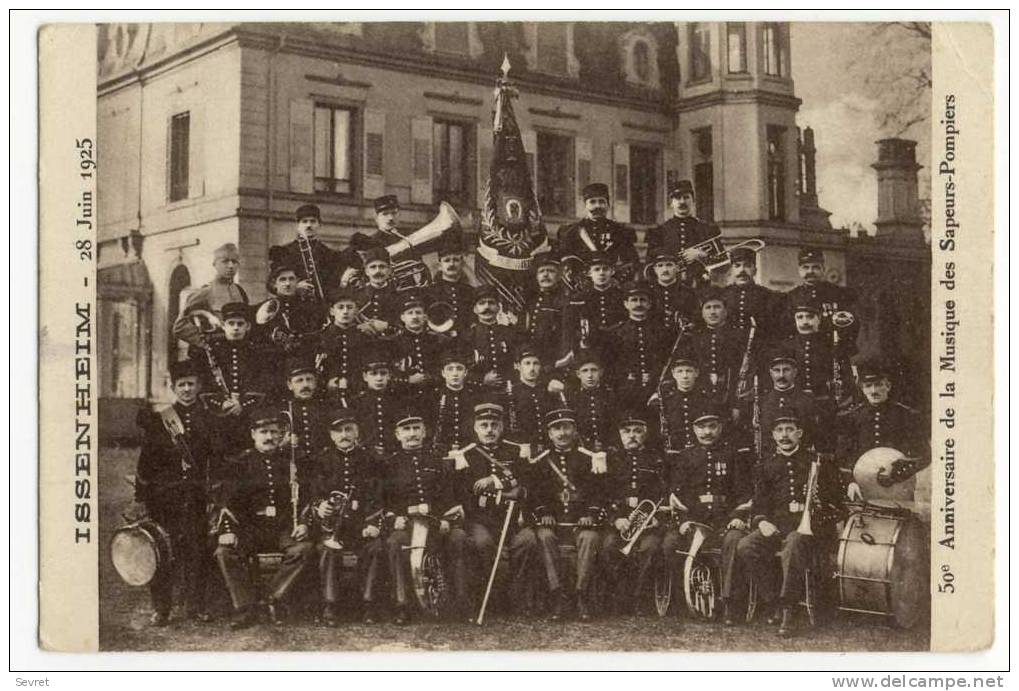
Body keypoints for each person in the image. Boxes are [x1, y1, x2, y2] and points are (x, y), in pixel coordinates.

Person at [735, 411, 843, 636]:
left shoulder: (818, 463)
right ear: (773, 435)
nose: (785, 435)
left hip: (811, 531)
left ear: (800, 433)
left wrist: (819, 509)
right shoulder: (765, 466)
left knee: (793, 545)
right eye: (780, 430)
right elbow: (760, 503)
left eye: (790, 430)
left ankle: (788, 611)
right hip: (777, 528)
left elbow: (837, 504)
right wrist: (762, 521)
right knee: (746, 546)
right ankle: (773, 601)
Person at [133, 359, 219, 626]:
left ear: (199, 386)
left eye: (191, 384)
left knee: (197, 550)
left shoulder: (210, 419)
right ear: (173, 387)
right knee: (162, 549)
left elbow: (217, 458)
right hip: (166, 498)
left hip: (197, 497)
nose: (186, 390)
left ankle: (196, 605)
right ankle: (161, 608)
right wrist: (142, 498)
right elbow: (146, 462)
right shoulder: (161, 421)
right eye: (181, 385)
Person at [213, 406, 316, 629]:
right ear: (253, 434)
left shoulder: (291, 462)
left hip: (283, 528)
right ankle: (244, 607)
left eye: (274, 432)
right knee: (225, 552)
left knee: (303, 549)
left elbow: (307, 499)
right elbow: (226, 503)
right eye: (263, 432)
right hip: (251, 529)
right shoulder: (240, 464)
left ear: (281, 435)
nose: (269, 437)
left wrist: (305, 524)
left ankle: (271, 598)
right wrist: (228, 530)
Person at [662, 403, 753, 624]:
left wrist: (737, 517)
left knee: (734, 541)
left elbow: (744, 493)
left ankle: (729, 602)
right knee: (670, 543)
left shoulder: (733, 455)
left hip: (725, 521)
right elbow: (676, 494)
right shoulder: (685, 457)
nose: (707, 432)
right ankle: (682, 599)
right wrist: (683, 520)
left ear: (720, 428)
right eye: (702, 427)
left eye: (712, 426)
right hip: (694, 519)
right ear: (694, 430)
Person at [447, 402, 535, 620]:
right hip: (480, 520)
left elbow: (526, 481)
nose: (489, 430)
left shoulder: (516, 451)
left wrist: (495, 480)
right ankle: (491, 596)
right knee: (482, 543)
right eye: (484, 425)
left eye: (494, 425)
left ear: (502, 426)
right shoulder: (465, 455)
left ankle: (515, 597)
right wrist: (508, 489)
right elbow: (464, 492)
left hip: (512, 520)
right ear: (476, 428)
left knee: (528, 540)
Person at [309, 404, 385, 625]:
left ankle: (368, 603)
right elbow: (314, 494)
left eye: (349, 429)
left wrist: (373, 523)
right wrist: (320, 506)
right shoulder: (321, 460)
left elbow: (377, 496)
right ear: (332, 435)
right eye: (339, 431)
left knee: (375, 546)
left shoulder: (370, 460)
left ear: (356, 432)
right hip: (331, 527)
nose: (344, 435)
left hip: (361, 524)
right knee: (327, 549)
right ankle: (330, 605)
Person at [528, 407, 607, 620]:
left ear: (574, 429)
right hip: (554, 525)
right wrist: (543, 513)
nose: (562, 433)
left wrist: (590, 514)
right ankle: (558, 596)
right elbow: (534, 494)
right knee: (544, 536)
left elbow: (599, 492)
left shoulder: (590, 459)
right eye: (556, 429)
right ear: (549, 433)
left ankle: (581, 595)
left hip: (580, 524)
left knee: (590, 538)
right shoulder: (540, 461)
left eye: (566, 427)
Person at [381, 409, 456, 624]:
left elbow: (448, 496)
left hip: (435, 524)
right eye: (406, 429)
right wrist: (393, 518)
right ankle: (401, 605)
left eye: (416, 429)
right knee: (396, 543)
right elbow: (381, 500)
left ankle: (458, 602)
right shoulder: (389, 464)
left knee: (458, 539)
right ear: (397, 434)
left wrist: (446, 519)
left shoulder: (437, 461)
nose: (412, 434)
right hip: (405, 525)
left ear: (424, 432)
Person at [598, 409, 668, 615]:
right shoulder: (610, 460)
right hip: (621, 521)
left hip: (648, 522)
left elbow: (665, 493)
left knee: (649, 548)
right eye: (627, 431)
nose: (632, 436)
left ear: (645, 434)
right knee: (609, 545)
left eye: (637, 431)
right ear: (620, 435)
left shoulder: (657, 460)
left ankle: (640, 598)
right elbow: (602, 494)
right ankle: (619, 595)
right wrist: (616, 518)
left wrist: (657, 518)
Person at [836, 358, 927, 500]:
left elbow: (923, 454)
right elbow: (843, 456)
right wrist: (850, 482)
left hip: (898, 487)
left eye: (878, 385)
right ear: (862, 389)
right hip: (862, 488)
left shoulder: (906, 415)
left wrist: (897, 471)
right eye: (868, 386)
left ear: (888, 386)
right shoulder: (852, 417)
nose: (873, 391)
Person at [195, 301, 269, 455]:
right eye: (231, 323)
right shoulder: (211, 351)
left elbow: (262, 382)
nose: (236, 328)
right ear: (223, 325)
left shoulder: (257, 352)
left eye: (240, 324)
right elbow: (204, 382)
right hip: (218, 416)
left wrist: (243, 404)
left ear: (247, 326)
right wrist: (221, 403)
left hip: (248, 416)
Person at [604, 281, 669, 409]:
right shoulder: (615, 332)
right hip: (625, 390)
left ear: (649, 304)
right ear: (626, 304)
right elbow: (609, 363)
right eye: (634, 300)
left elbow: (665, 359)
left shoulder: (661, 332)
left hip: (654, 388)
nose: (638, 304)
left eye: (643, 300)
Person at [171, 243, 249, 348]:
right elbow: (179, 327)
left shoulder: (240, 291)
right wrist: (206, 343)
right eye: (225, 261)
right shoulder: (204, 292)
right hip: (211, 355)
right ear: (215, 264)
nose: (231, 266)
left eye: (234, 262)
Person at [557, 182, 639, 282]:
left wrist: (615, 280)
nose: (597, 206)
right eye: (592, 202)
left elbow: (631, 263)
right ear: (585, 205)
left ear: (608, 205)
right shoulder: (571, 232)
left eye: (601, 201)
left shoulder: (621, 231)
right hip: (581, 285)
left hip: (612, 284)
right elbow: (566, 262)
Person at [268, 204, 350, 301]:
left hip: (320, 308)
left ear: (319, 225)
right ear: (298, 226)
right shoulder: (284, 252)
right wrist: (294, 287)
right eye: (304, 222)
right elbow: (271, 285)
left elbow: (335, 285)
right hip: (294, 305)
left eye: (313, 221)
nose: (309, 225)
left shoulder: (330, 255)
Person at [645, 180, 721, 285]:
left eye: (686, 197)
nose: (682, 202)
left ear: (693, 201)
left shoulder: (708, 229)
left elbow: (722, 264)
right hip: (670, 287)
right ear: (671, 203)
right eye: (677, 198)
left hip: (700, 285)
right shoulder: (658, 232)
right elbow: (649, 266)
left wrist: (701, 254)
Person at [690, 287, 749, 410]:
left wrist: (736, 403)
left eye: (717, 307)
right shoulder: (694, 338)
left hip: (730, 395)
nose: (712, 312)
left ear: (726, 311)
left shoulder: (738, 337)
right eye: (708, 307)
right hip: (701, 396)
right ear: (702, 312)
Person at [782, 248, 857, 339]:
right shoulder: (792, 296)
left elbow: (851, 326)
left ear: (823, 269)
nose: (810, 271)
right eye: (806, 267)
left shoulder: (838, 293)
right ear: (799, 270)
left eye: (815, 267)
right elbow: (787, 328)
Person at [562, 251, 625, 357]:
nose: (601, 273)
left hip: (618, 347)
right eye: (596, 269)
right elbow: (569, 329)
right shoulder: (579, 298)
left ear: (612, 271)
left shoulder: (622, 296)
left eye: (605, 269)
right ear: (589, 273)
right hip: (590, 348)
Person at [651, 344, 709, 451]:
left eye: (689, 371)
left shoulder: (706, 399)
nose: (685, 376)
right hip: (674, 451)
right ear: (673, 374)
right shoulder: (665, 400)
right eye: (680, 371)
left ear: (696, 373)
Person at [278, 357, 329, 477]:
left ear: (316, 383)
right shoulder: (283, 411)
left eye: (309, 380)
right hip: (292, 469)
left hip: (322, 469)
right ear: (290, 385)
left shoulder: (327, 408)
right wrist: (283, 444)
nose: (305, 385)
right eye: (299, 381)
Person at [317, 287, 372, 399]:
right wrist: (326, 383)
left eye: (350, 307)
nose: (345, 311)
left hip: (359, 391)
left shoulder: (364, 336)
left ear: (356, 311)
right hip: (330, 392)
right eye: (340, 307)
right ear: (332, 311)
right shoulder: (321, 337)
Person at [723, 246, 781, 345]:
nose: (742, 270)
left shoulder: (768, 296)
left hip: (757, 349)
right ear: (732, 270)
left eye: (747, 265)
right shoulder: (722, 295)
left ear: (755, 270)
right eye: (737, 266)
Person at [465, 285, 518, 392]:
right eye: (481, 303)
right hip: (477, 391)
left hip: (509, 389)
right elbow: (459, 367)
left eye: (491, 302)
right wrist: (481, 379)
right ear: (475, 309)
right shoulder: (467, 336)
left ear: (499, 307)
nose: (487, 307)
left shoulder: (510, 333)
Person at [352, 341, 401, 456]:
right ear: (365, 377)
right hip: (366, 455)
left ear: (389, 376)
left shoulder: (397, 400)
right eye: (373, 374)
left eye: (383, 373)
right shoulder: (356, 402)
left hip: (393, 454)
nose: (379, 378)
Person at [507, 343, 557, 455]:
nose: (532, 368)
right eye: (527, 363)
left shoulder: (548, 391)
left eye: (536, 364)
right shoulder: (511, 393)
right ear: (517, 366)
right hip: (523, 449)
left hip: (549, 448)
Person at [429, 347, 478, 458]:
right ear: (443, 373)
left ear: (465, 372)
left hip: (469, 451)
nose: (455, 373)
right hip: (442, 452)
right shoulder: (433, 397)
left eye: (459, 369)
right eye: (450, 369)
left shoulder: (474, 396)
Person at [522, 252, 569, 368]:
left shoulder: (566, 301)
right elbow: (522, 333)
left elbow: (568, 335)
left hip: (556, 360)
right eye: (541, 271)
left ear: (559, 276)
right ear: (536, 276)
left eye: (551, 271)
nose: (546, 275)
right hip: (532, 360)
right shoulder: (530, 302)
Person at [391, 292, 444, 391]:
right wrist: (407, 380)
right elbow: (390, 373)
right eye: (410, 313)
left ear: (425, 317)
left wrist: (430, 378)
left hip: (433, 391)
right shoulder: (393, 342)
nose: (415, 317)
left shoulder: (437, 340)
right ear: (402, 318)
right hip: (405, 393)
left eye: (418, 312)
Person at [565, 349, 615, 453]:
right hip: (581, 451)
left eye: (594, 370)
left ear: (601, 372)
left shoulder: (610, 396)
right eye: (585, 371)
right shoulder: (572, 398)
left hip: (608, 450)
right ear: (578, 374)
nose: (590, 375)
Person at [426, 232, 474, 338]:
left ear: (462, 264)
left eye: (456, 260)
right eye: (447, 260)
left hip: (465, 341)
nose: (451, 264)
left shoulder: (470, 291)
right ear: (439, 266)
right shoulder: (429, 291)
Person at [646, 248, 698, 334]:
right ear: (655, 269)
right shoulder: (648, 293)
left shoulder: (688, 293)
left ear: (677, 268)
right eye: (660, 265)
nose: (665, 270)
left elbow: (695, 318)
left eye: (669, 265)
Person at [354, 247, 400, 338]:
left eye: (382, 267)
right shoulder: (357, 295)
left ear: (389, 270)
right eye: (373, 267)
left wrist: (387, 325)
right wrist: (358, 327)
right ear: (367, 271)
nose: (378, 271)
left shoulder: (400, 295)